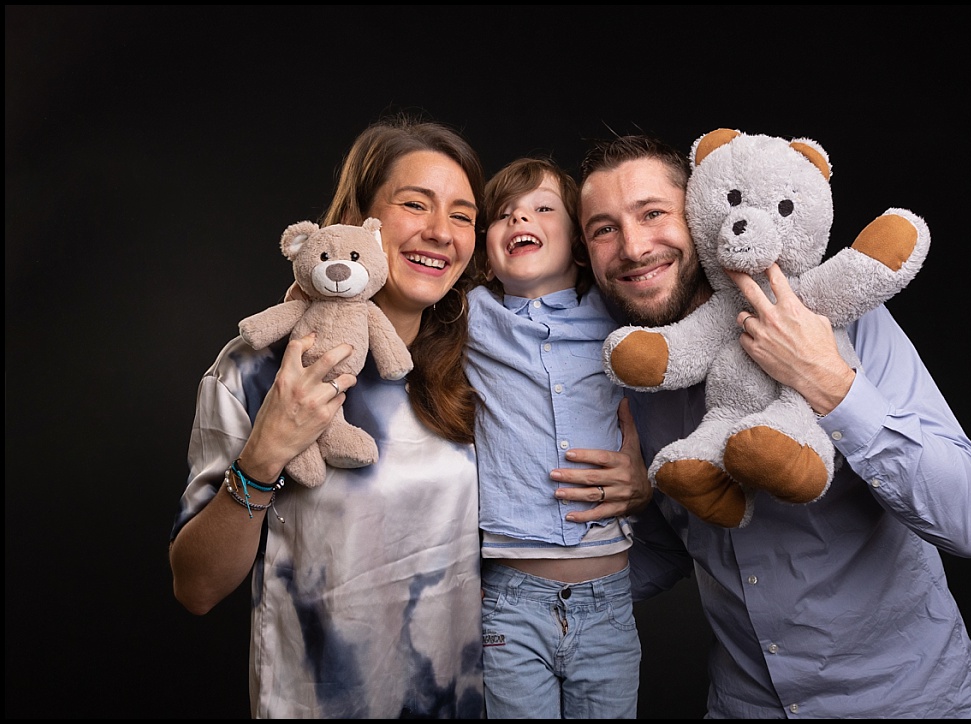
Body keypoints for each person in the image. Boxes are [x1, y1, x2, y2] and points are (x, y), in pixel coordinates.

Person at [574, 133, 971, 718]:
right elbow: (670, 550)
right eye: (603, 228)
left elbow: (969, 522)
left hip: (905, 703)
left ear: (697, 213)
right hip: (745, 705)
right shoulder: (636, 371)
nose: (634, 246)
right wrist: (542, 593)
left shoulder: (843, 321)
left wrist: (828, 383)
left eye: (652, 214)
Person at [168, 115, 491, 719]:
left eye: (463, 215)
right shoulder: (257, 368)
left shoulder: (484, 368)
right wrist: (265, 452)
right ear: (361, 220)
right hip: (320, 701)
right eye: (415, 204)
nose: (441, 232)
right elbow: (197, 587)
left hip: (463, 701)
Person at [465, 157, 639, 718]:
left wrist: (644, 471)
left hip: (609, 602)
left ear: (580, 241)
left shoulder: (620, 317)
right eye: (504, 214)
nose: (522, 218)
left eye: (543, 208)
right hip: (510, 602)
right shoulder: (468, 316)